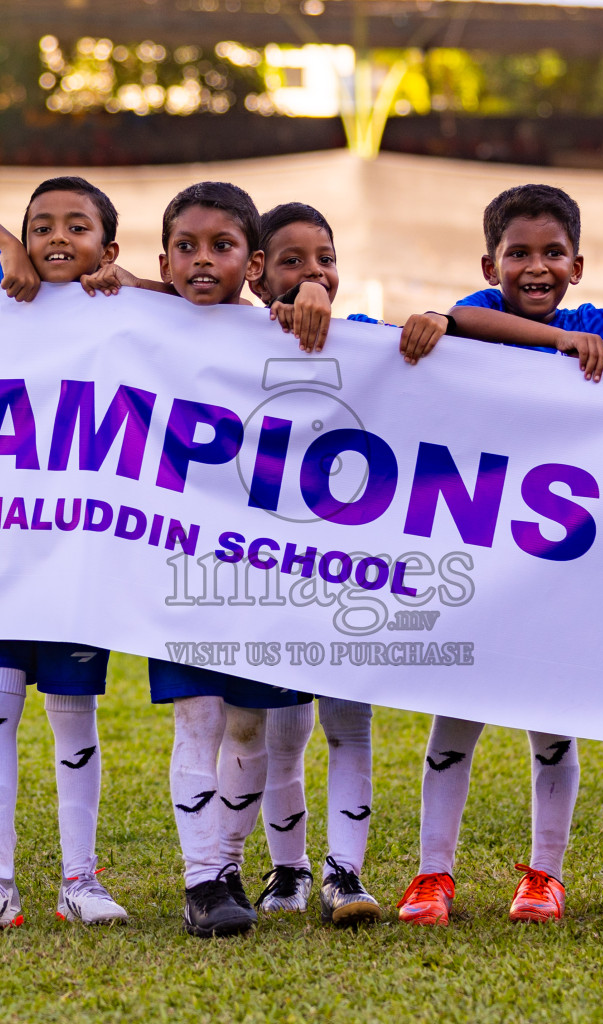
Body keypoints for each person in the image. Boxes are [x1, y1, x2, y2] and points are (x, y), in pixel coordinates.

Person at [395, 184, 603, 926]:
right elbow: (460, 316)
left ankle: (546, 875)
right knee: (453, 723)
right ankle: (431, 874)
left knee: (551, 722)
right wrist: (555, 344)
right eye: (518, 254)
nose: (535, 267)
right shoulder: (472, 322)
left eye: (552, 254)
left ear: (577, 265)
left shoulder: (601, 324)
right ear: (490, 262)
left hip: (556, 568)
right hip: (476, 560)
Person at [0, 175, 130, 929]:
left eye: (78, 228)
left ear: (109, 248)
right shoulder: (8, 279)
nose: (56, 240)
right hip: (2, 551)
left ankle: (81, 880)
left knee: (74, 719)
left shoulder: (127, 302)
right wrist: (6, 246)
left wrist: (130, 281)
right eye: (42, 226)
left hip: (78, 556)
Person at [236, 202, 445, 926]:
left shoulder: (367, 347)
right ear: (257, 271)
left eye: (324, 258)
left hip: (350, 575)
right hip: (267, 573)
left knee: (349, 725)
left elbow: (437, 379)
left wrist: (437, 327)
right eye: (291, 260)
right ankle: (286, 871)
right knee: (280, 731)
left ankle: (344, 873)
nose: (313, 273)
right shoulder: (227, 338)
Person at [144, 181, 310, 939]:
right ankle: (202, 880)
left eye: (222, 247)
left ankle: (229, 861)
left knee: (249, 730)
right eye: (186, 247)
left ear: (255, 263)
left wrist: (308, 301)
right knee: (198, 722)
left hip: (262, 569)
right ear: (163, 258)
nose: (202, 260)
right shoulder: (134, 323)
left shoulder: (281, 334)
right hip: (179, 565)